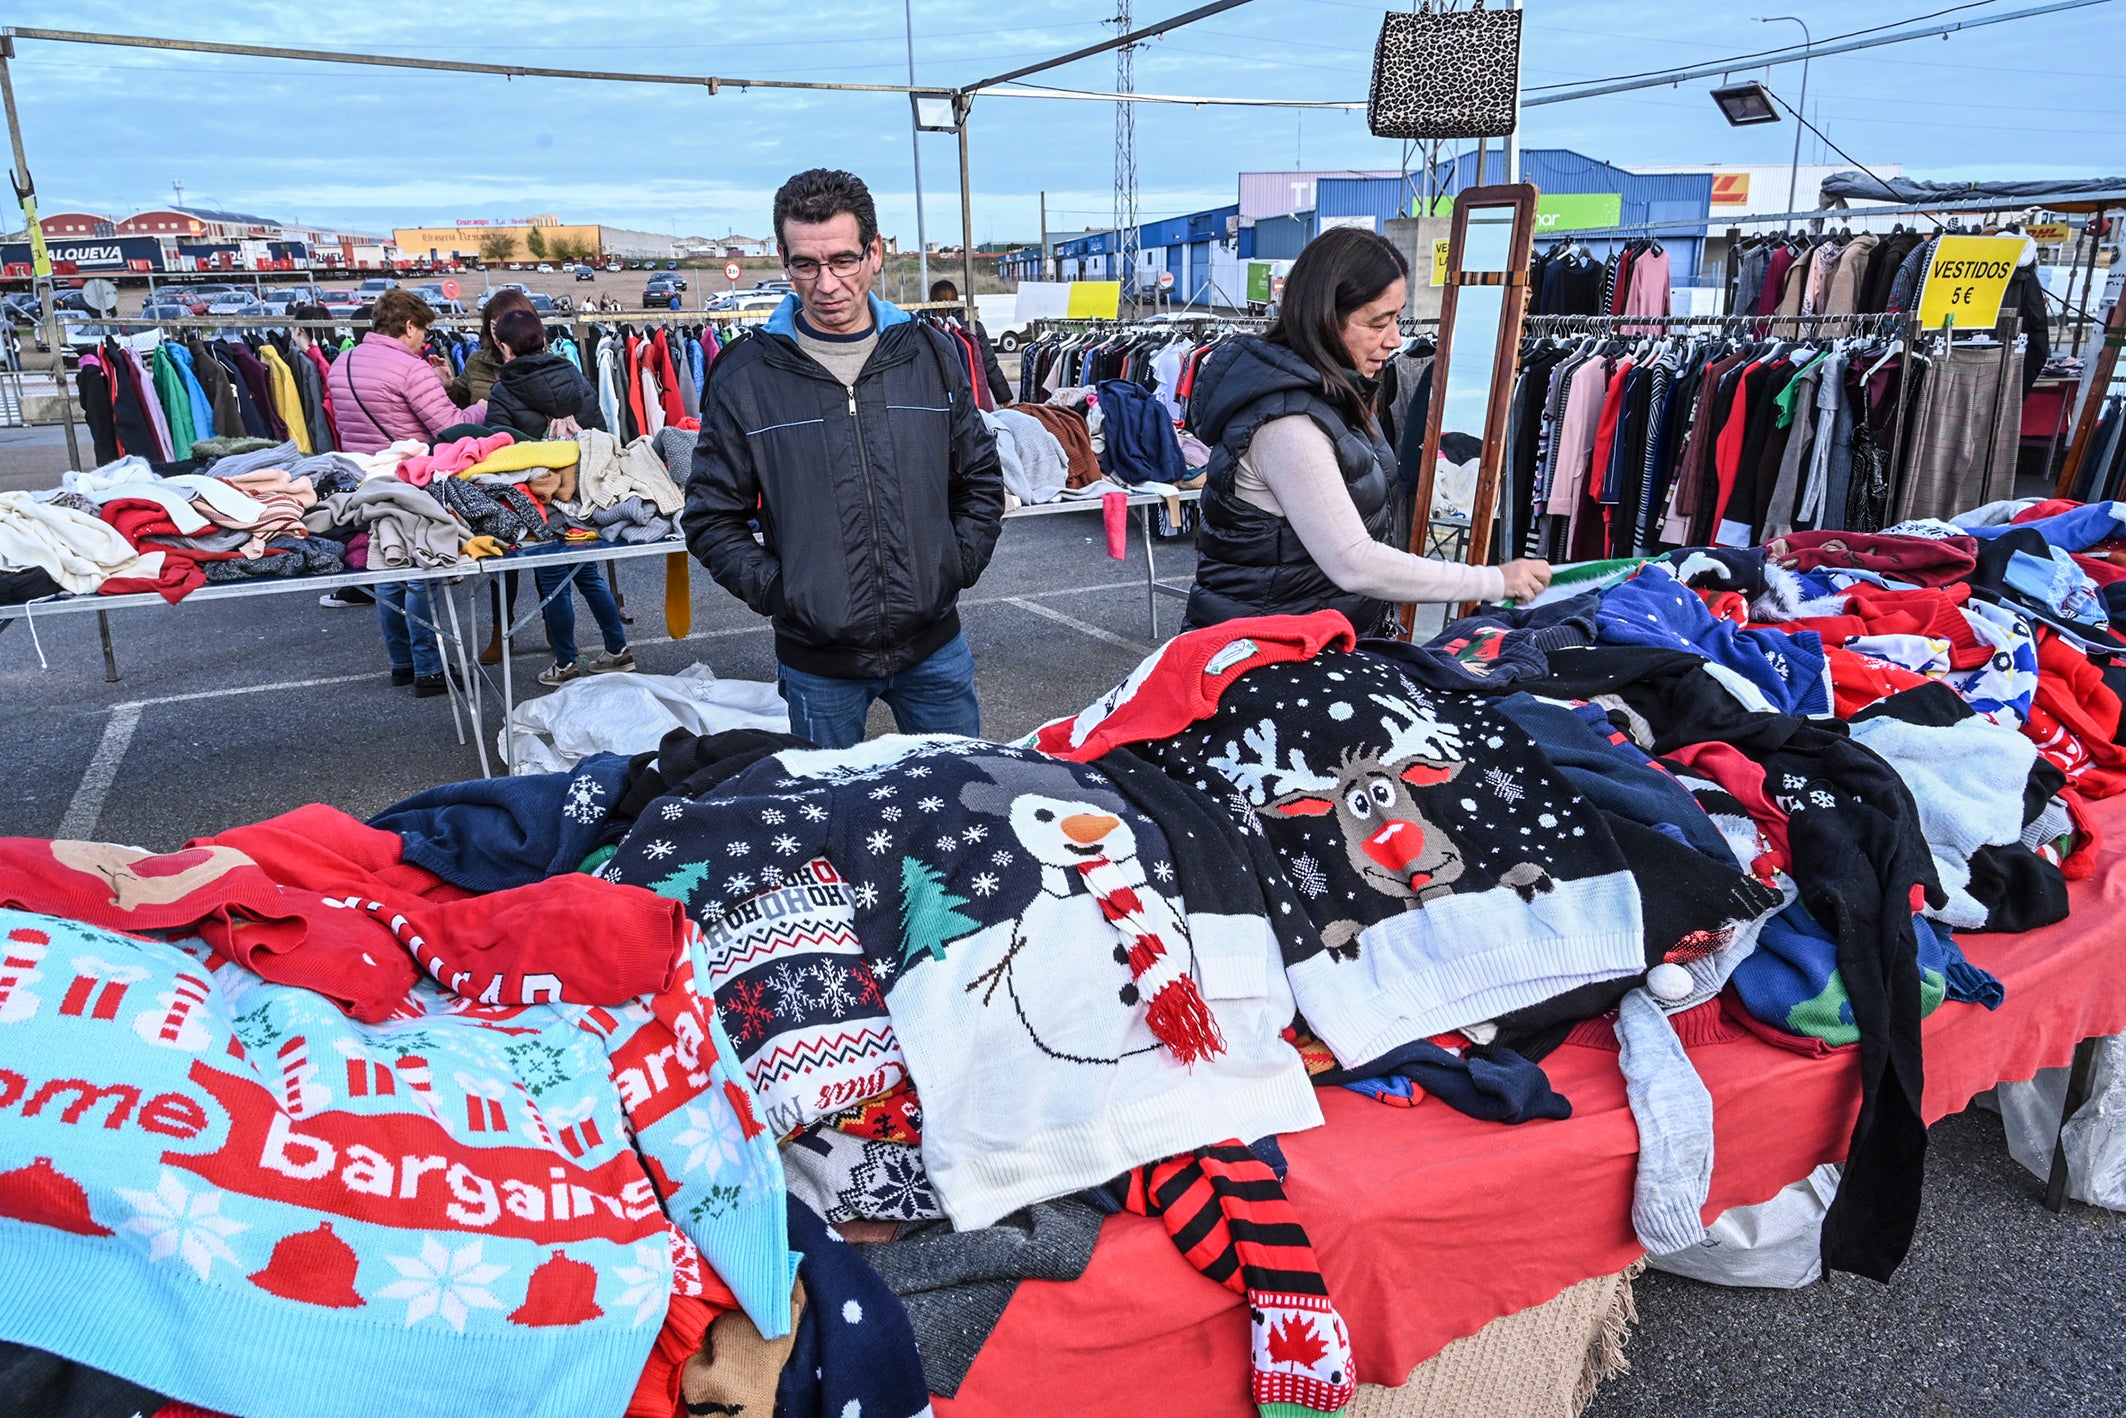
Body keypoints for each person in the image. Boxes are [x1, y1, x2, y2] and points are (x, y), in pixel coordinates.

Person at [684, 168, 1005, 750]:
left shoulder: (930, 355)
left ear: (874, 253)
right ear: (784, 261)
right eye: (806, 265)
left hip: (934, 648)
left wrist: (954, 566)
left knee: (960, 794)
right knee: (829, 803)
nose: (826, 284)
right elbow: (710, 517)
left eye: (842, 260)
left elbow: (979, 478)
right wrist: (784, 593)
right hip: (817, 664)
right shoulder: (746, 376)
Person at [1186, 226, 1551, 632]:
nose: (1396, 338)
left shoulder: (1337, 395)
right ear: (1325, 319)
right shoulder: (1287, 424)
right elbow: (1354, 562)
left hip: (1314, 640)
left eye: (1398, 318)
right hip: (1264, 650)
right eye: (1379, 323)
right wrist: (1495, 580)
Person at [325, 289, 466, 696]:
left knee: (387, 566)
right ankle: (429, 669)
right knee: (421, 571)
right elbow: (450, 426)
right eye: (423, 330)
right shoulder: (411, 369)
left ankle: (402, 662)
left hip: (365, 479)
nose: (425, 340)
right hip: (409, 479)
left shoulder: (342, 363)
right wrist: (479, 403)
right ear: (408, 326)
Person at [484, 307, 635, 687]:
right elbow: (599, 431)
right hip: (582, 492)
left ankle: (566, 662)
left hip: (537, 498)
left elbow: (496, 449)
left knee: (553, 580)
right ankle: (617, 649)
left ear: (504, 346)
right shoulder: (572, 374)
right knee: (588, 574)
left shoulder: (504, 389)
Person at [928, 278, 1013, 407]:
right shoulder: (972, 326)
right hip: (970, 397)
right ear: (956, 298)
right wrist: (1004, 397)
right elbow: (989, 364)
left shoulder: (926, 328)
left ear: (931, 300)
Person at [450, 287, 534, 409]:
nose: (500, 335)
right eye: (495, 328)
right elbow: (461, 403)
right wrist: (448, 386)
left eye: (509, 327)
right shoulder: (477, 361)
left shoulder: (548, 363)